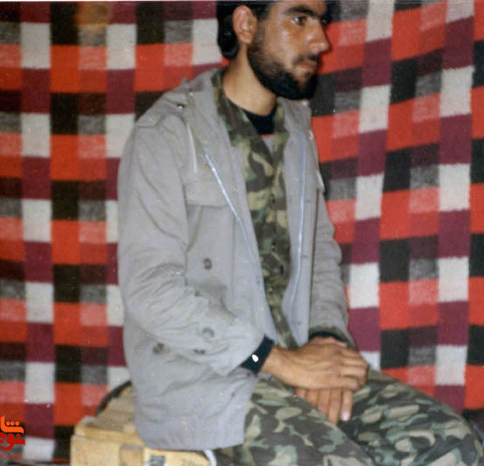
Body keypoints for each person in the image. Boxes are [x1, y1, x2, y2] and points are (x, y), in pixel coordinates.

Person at [117, 1, 484, 464]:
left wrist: (327, 345)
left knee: (454, 444)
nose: (321, 41)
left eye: (321, 22)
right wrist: (282, 362)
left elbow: (320, 254)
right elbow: (150, 289)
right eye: (299, 19)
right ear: (246, 24)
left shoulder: (296, 127)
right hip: (206, 378)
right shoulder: (168, 133)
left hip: (296, 361)